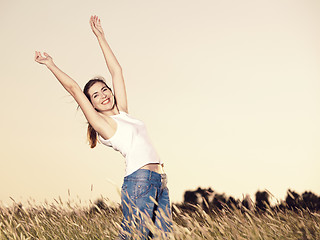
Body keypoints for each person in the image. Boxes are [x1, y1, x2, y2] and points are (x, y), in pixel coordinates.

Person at [35, 15, 173, 239]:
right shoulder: (102, 124)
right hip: (140, 182)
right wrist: (51, 64)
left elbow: (116, 71)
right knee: (134, 236)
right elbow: (74, 89)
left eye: (104, 90)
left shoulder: (124, 113)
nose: (103, 96)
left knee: (164, 237)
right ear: (92, 105)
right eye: (95, 95)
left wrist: (100, 36)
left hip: (160, 182)